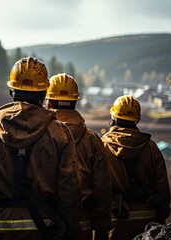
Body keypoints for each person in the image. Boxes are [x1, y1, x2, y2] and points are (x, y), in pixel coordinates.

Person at [0, 56, 84, 240]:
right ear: (44, 93)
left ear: (12, 90)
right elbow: (69, 188)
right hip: (45, 230)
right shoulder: (60, 133)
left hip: (0, 230)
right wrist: (69, 229)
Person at [45, 73, 111, 240]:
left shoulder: (40, 136)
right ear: (75, 102)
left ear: (48, 103)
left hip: (45, 224)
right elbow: (101, 189)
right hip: (83, 226)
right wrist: (102, 231)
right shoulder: (93, 140)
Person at [101, 95, 171, 240]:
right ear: (137, 120)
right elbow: (162, 188)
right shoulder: (151, 148)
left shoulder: (102, 146)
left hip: (114, 221)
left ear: (113, 117)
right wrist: (161, 218)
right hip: (147, 222)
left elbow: (96, 186)